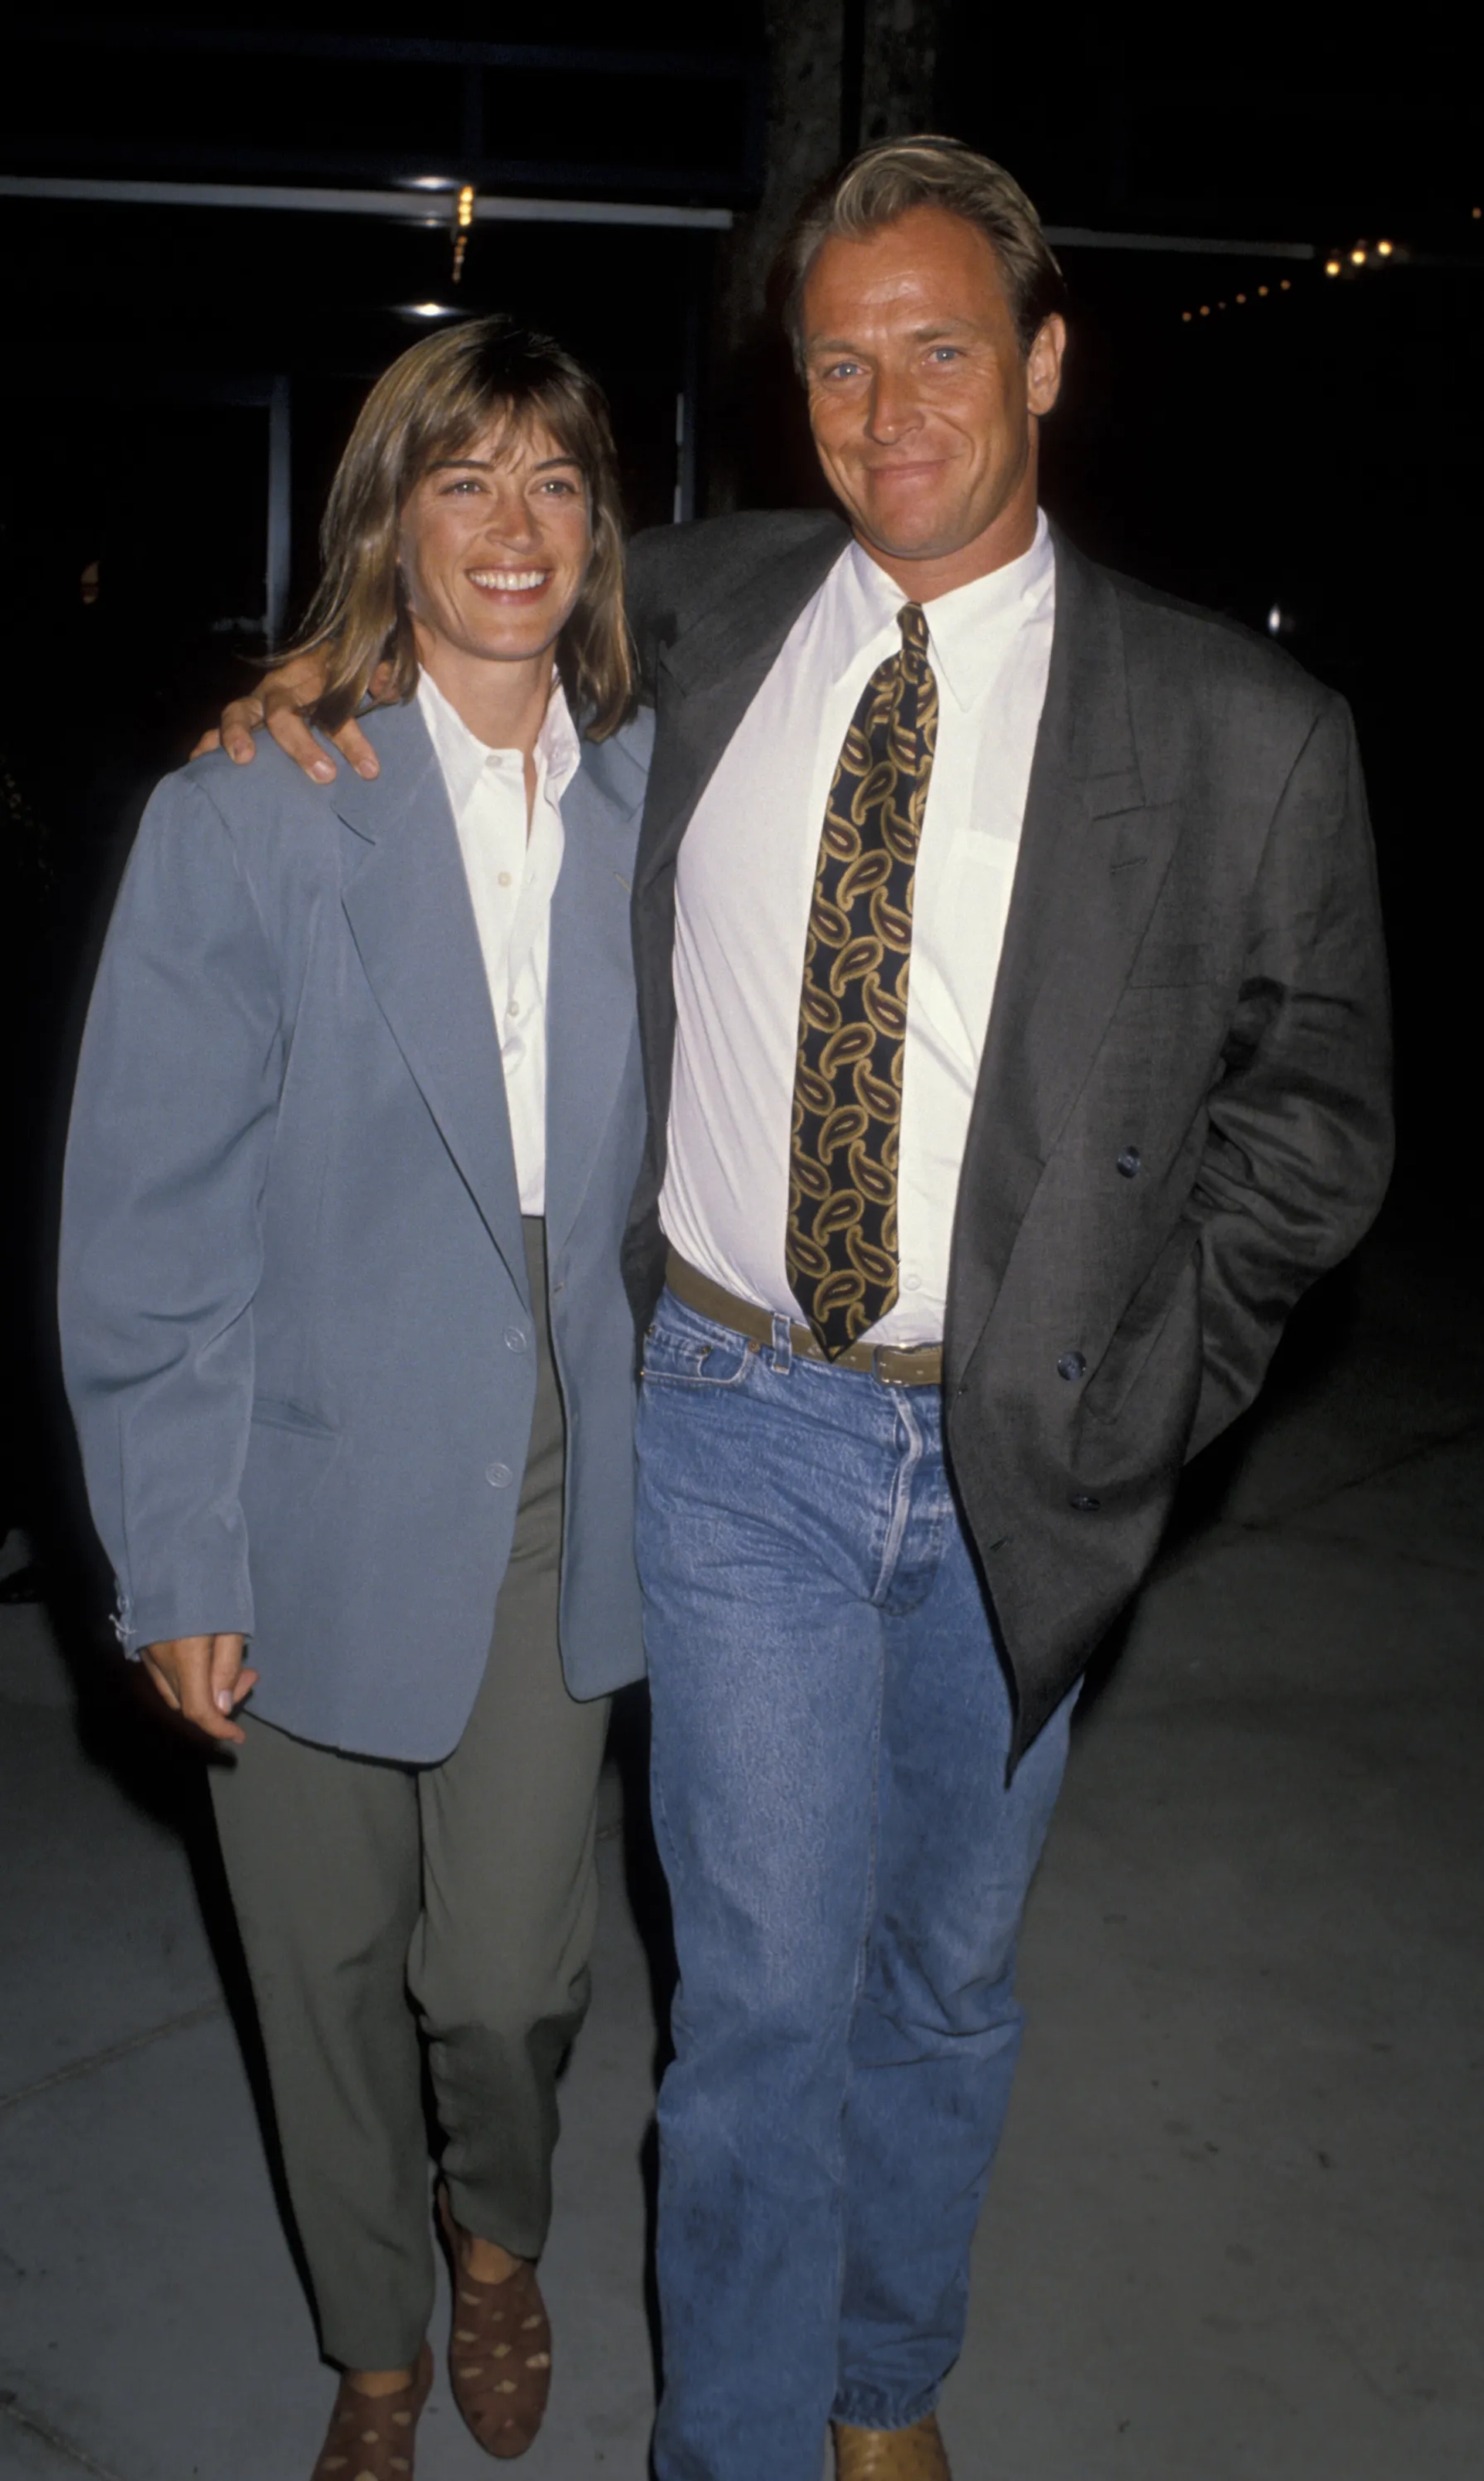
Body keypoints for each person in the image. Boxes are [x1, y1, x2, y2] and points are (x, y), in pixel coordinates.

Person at [212, 138, 1392, 2481]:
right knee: (757, 1996)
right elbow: (480, 599)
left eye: (941, 348)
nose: (889, 407)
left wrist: (1154, 1381)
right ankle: (743, 2446)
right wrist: (311, 695)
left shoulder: (1244, 736)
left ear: (1045, 362)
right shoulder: (714, 613)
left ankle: (885, 2380)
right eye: (840, 364)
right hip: (733, 1408)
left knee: (939, 1983)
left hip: (1023, 1453)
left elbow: (1323, 1117)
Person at [59, 315, 655, 2480]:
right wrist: (176, 1546)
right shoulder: (252, 809)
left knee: (502, 1977)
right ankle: (378, 2345)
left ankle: (496, 2234)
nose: (513, 527)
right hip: (304, 1460)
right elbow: (151, 1217)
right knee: (316, 1975)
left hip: (556, 1465)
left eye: (556, 483)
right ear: (387, 521)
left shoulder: (658, 792)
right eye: (463, 480)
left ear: (603, 531)